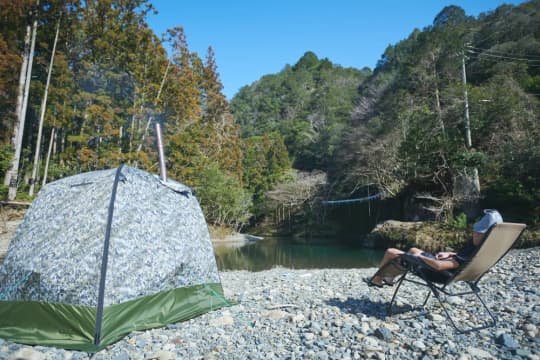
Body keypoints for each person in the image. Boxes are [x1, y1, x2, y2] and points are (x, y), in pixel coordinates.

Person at [365, 209, 503, 287]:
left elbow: (438, 266)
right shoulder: (483, 246)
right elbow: (463, 258)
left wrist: (420, 258)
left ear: (484, 234)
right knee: (413, 249)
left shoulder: (474, 247)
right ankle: (389, 278)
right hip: (454, 270)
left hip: (440, 274)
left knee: (392, 252)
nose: (474, 233)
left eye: (478, 232)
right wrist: (449, 254)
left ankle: (376, 280)